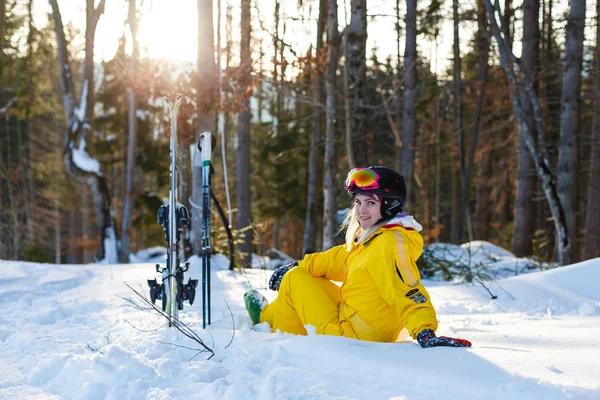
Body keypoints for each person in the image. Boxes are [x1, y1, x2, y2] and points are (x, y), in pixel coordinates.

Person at [245, 166, 471, 348]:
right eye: (358, 202)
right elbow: (340, 258)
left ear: (391, 205)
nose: (361, 210)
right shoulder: (375, 238)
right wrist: (298, 263)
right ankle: (270, 317)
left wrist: (425, 331)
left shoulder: (390, 244)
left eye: (371, 203)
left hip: (352, 338)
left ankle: (272, 327)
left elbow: (408, 289)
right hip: (354, 321)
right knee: (303, 273)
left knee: (295, 279)